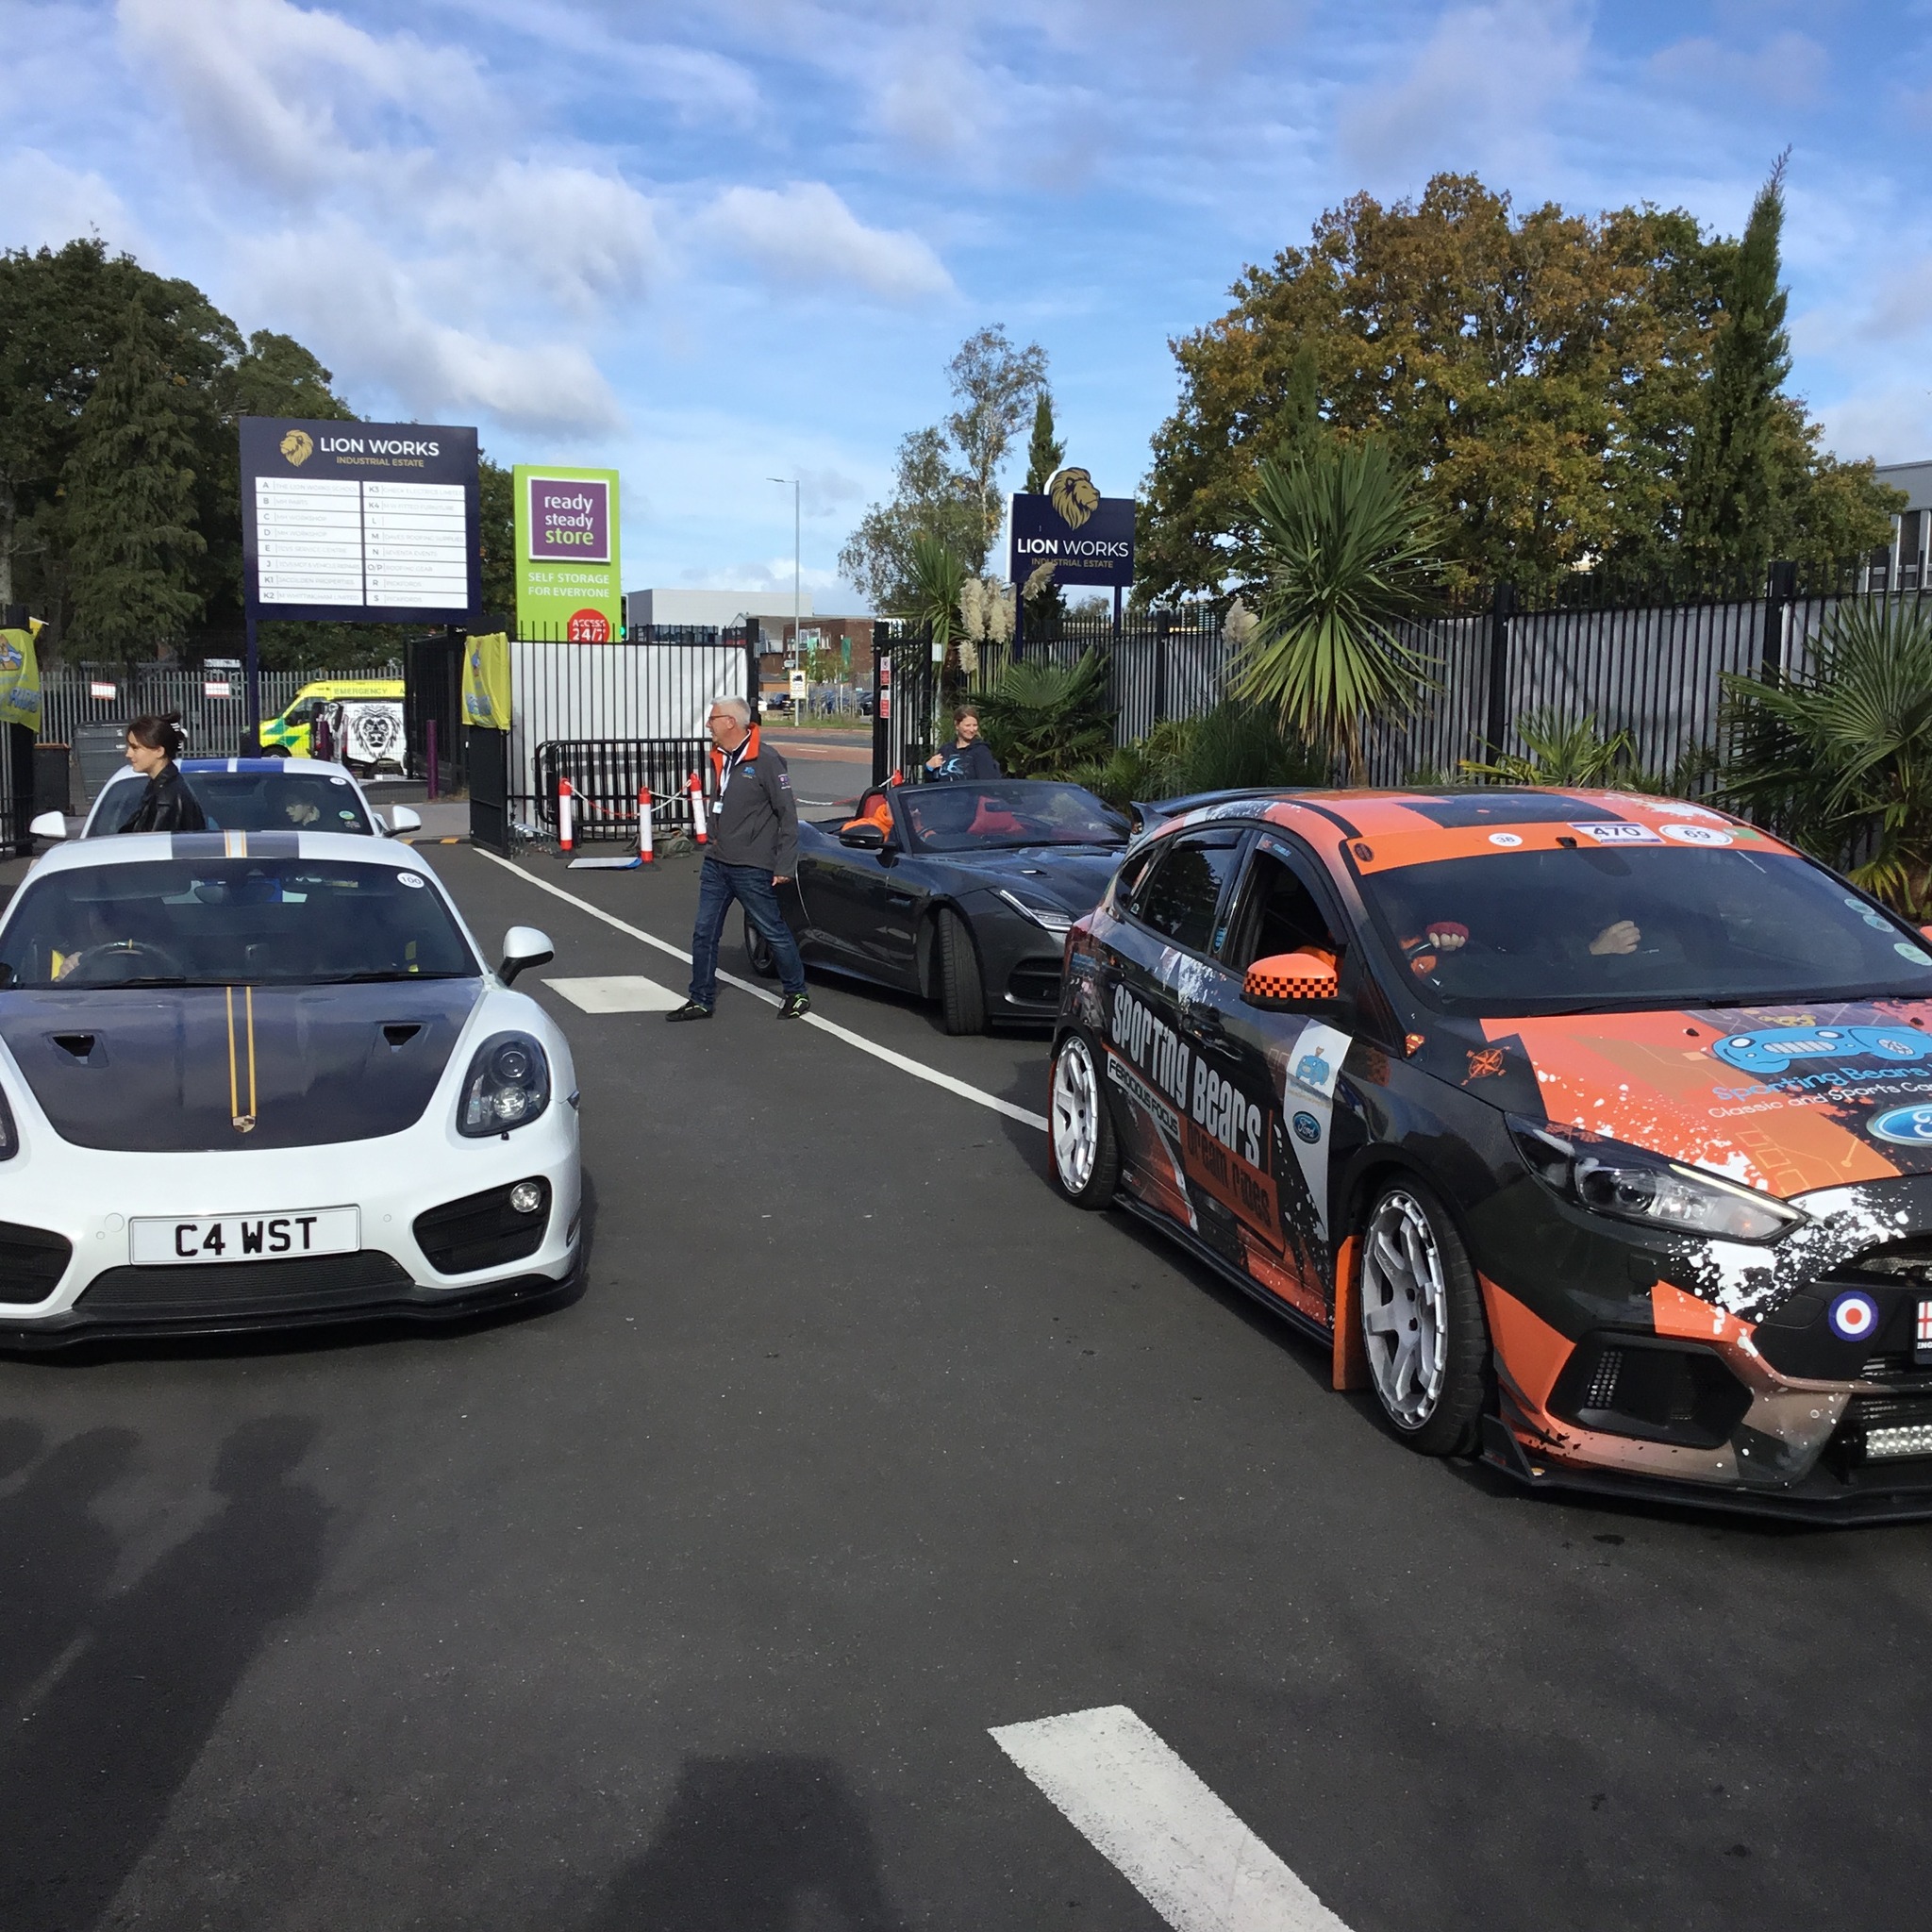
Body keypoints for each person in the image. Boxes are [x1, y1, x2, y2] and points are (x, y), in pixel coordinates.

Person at [667, 694, 811, 1022]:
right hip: (717, 861)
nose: (708, 725)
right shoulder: (723, 757)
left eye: (713, 718)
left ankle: (797, 991)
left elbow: (787, 816)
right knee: (704, 931)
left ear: (731, 722)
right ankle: (700, 998)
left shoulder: (767, 760)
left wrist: (785, 864)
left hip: (751, 864)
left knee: (771, 929)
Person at [117, 714, 208, 833]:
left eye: (135, 748)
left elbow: (153, 845)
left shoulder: (167, 798)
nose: (128, 754)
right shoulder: (163, 788)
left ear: (159, 751)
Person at [924, 708, 1002, 781]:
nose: (972, 730)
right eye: (967, 725)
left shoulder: (981, 751)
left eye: (975, 725)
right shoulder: (946, 750)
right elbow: (932, 783)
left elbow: (987, 783)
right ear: (957, 725)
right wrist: (929, 767)